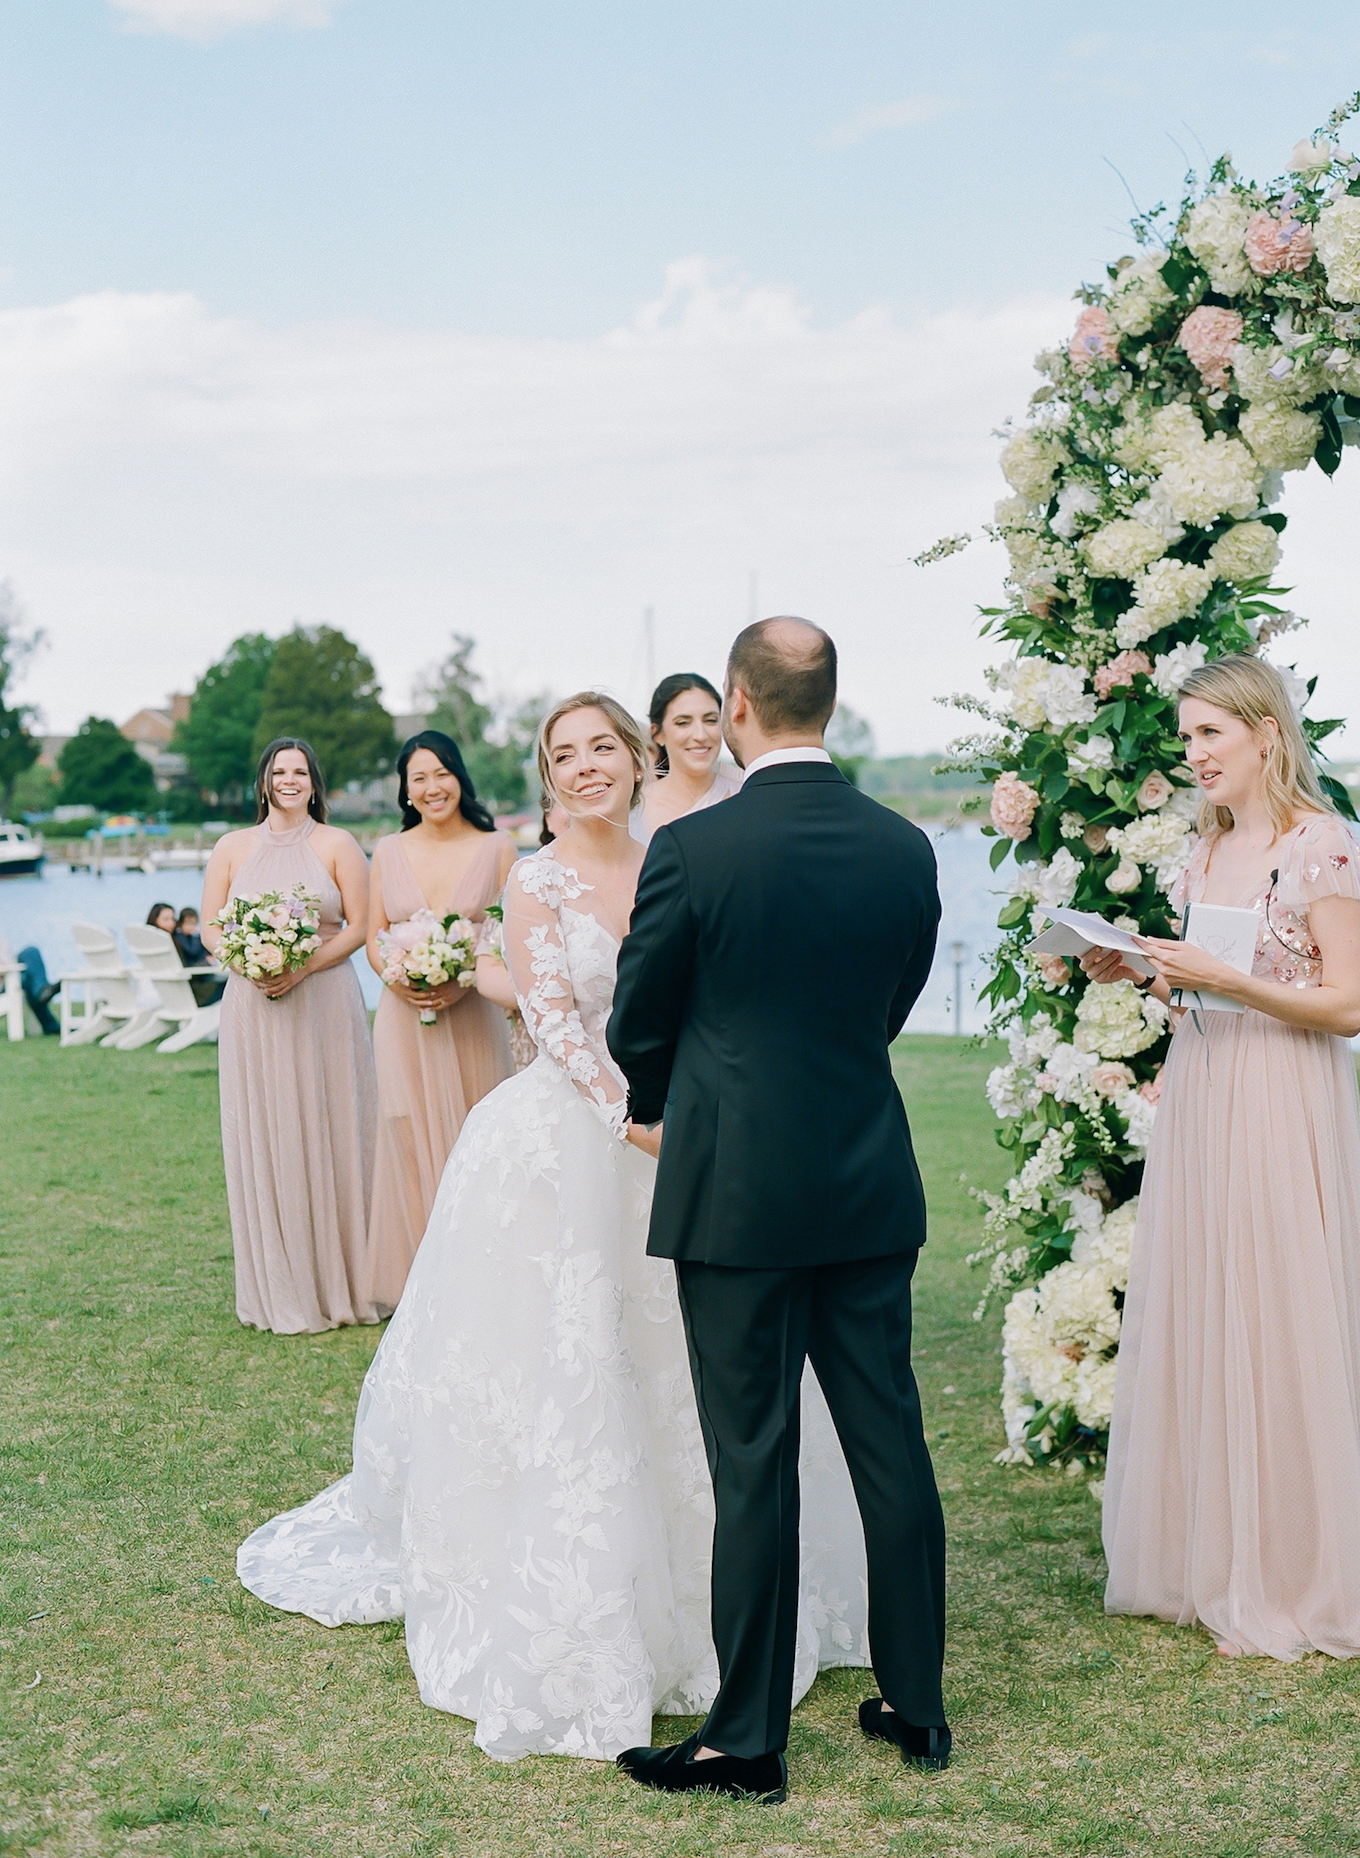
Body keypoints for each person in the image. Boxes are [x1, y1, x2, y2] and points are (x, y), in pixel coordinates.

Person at [236, 692, 869, 1763]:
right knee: (570, 1365)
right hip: (572, 1140)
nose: (584, 769)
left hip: (692, 1144)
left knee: (695, 1373)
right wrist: (628, 1117)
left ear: (637, 757)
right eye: (562, 755)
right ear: (545, 776)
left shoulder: (686, 853)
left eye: (600, 749)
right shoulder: (533, 881)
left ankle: (725, 1597)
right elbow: (549, 1017)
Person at [608, 617, 949, 1803]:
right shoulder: (907, 848)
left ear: (739, 708)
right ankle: (914, 1703)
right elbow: (890, 1003)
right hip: (864, 1179)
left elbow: (637, 1019)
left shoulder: (694, 848)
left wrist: (662, 1099)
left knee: (751, 1462)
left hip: (735, 1196)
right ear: (829, 705)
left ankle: (745, 1738)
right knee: (889, 1442)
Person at [1087, 655, 1360, 1666]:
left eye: (1208, 735)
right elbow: (1205, 1000)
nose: (1191, 755)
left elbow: (1344, 1006)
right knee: (1211, 1303)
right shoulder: (1203, 855)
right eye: (1183, 738)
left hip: (1282, 1102)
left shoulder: (1318, 848)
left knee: (1283, 1306)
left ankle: (1299, 1565)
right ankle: (1214, 1552)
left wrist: (1217, 972)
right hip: (1203, 1093)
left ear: (1264, 734)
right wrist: (1147, 973)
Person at [200, 738, 380, 1336]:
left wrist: (302, 966)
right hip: (252, 1006)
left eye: (300, 772)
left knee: (331, 1126)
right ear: (264, 780)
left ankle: (342, 1284)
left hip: (324, 1002)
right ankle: (279, 1285)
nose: (289, 780)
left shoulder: (338, 844)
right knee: (265, 1130)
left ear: (314, 782)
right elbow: (208, 923)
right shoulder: (232, 847)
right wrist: (244, 958)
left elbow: (358, 927)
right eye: (280, 771)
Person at [362, 731, 518, 1308]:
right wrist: (401, 979)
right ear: (406, 789)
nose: (432, 787)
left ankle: (480, 1282)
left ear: (459, 777)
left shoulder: (497, 847)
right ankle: (419, 1290)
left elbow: (509, 934)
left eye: (441, 773)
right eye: (419, 778)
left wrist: (461, 982)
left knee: (475, 1140)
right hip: (403, 1017)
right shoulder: (387, 850)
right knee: (407, 1133)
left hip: (473, 1013)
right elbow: (375, 936)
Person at [631, 673, 742, 842]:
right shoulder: (635, 808)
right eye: (683, 723)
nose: (700, 735)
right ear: (657, 733)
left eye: (711, 720)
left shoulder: (744, 793)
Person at [174, 906, 225, 1007]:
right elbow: (192, 951)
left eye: (193, 924)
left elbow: (204, 950)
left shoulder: (186, 937)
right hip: (198, 983)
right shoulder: (181, 937)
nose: (191, 927)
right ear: (181, 923)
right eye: (187, 923)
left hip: (202, 976)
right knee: (227, 983)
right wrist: (196, 937)